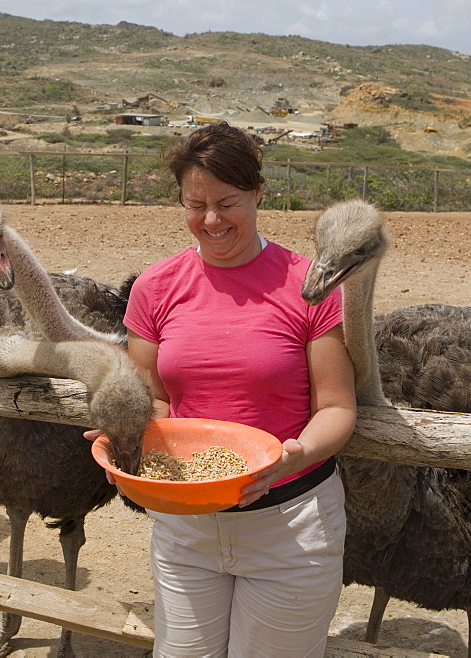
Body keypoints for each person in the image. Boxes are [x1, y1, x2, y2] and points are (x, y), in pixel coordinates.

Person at [89, 122, 357, 656]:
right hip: (185, 521)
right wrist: (129, 434)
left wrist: (293, 454)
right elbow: (154, 397)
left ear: (258, 193)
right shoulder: (156, 286)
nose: (210, 220)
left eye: (228, 203)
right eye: (196, 204)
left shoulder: (310, 285)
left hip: (290, 524)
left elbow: (335, 406)